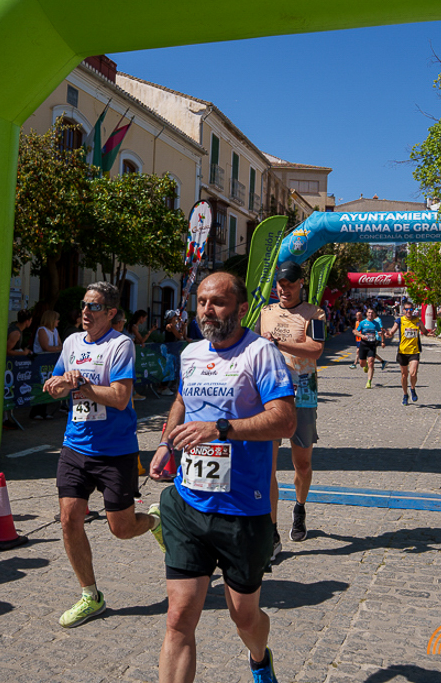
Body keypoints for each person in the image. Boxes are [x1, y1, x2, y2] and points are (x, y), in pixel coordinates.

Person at [149, 272, 296, 683]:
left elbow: (285, 421)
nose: (207, 311)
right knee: (179, 616)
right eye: (201, 302)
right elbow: (182, 399)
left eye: (217, 302)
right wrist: (166, 444)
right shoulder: (191, 353)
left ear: (242, 308)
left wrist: (221, 428)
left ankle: (259, 658)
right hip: (189, 503)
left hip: (243, 510)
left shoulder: (260, 354)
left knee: (244, 617)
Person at [42, 282, 162, 628]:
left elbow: (121, 398)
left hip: (115, 450)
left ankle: (156, 522)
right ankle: (90, 596)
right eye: (83, 304)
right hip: (75, 445)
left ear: (110, 313)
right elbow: (54, 386)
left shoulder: (120, 345)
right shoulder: (71, 342)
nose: (85, 311)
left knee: (121, 528)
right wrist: (57, 385)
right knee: (69, 519)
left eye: (93, 306)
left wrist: (80, 384)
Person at [259, 261, 325, 551]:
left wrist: (279, 345)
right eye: (281, 285)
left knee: (303, 463)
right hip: (271, 393)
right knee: (268, 466)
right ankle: (271, 530)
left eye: (290, 285)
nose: (284, 290)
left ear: (301, 284)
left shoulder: (315, 313)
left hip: (304, 392)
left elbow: (316, 349)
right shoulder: (265, 312)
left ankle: (299, 508)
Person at [385, 302, 434, 406]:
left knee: (413, 373)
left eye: (410, 309)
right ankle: (405, 394)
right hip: (402, 352)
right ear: (403, 310)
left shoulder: (417, 321)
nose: (408, 311)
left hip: (414, 351)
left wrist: (429, 334)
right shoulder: (399, 321)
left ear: (413, 310)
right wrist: (388, 334)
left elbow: (425, 331)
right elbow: (392, 332)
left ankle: (412, 388)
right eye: (407, 309)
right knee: (404, 375)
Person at [356, 307, 385, 389]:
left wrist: (381, 337)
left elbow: (380, 331)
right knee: (362, 364)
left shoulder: (376, 323)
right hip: (363, 344)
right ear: (366, 314)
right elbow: (356, 331)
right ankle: (365, 365)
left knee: (371, 362)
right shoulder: (362, 323)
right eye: (369, 312)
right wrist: (362, 336)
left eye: (372, 313)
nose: (370, 314)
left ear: (374, 314)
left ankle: (369, 382)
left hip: (372, 344)